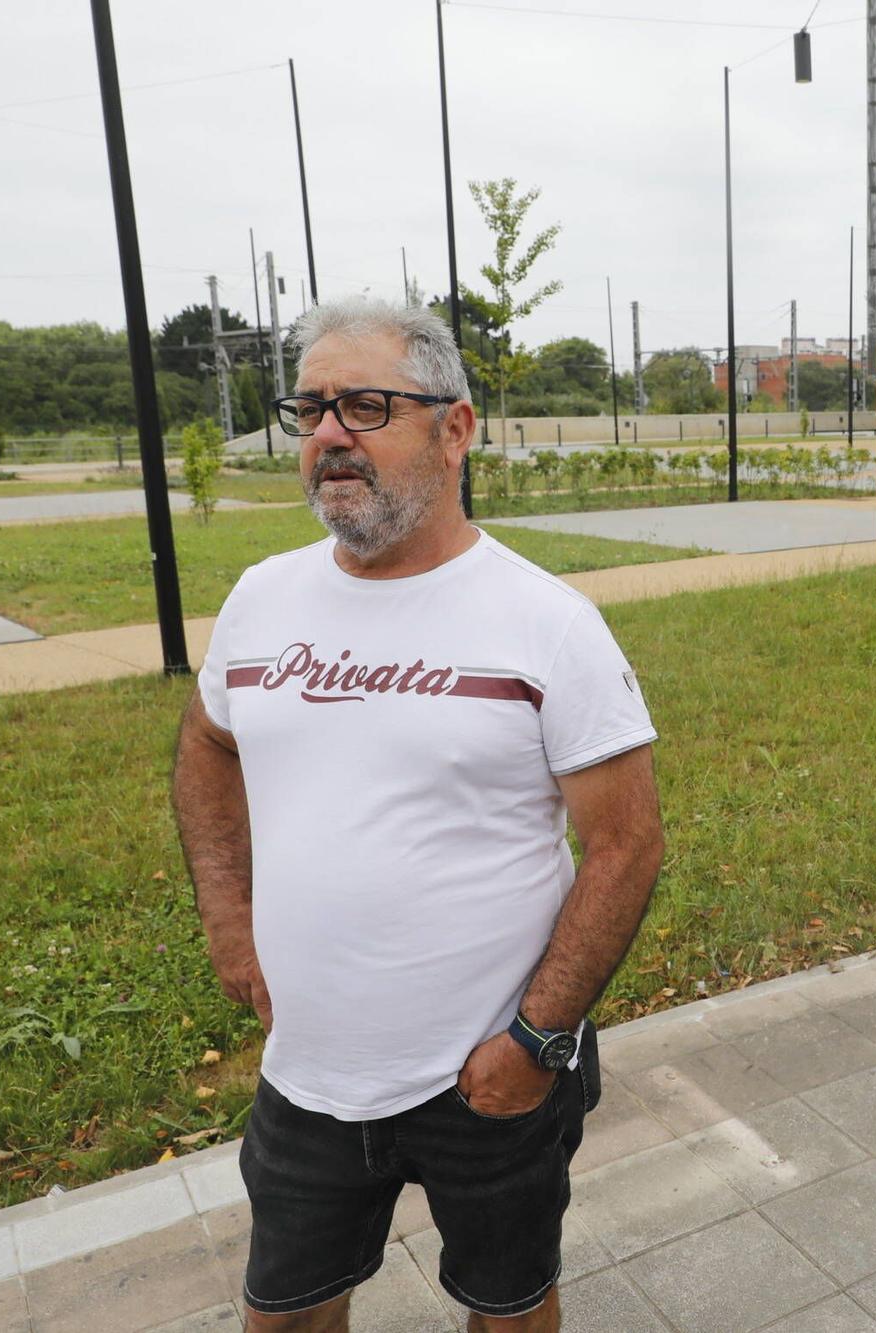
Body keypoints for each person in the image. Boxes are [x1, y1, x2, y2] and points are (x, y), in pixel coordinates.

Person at [171, 296, 664, 1333]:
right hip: (306, 1072)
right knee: (287, 1312)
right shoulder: (263, 598)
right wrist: (228, 919)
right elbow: (209, 747)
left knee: (508, 1305)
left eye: (364, 405)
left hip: (487, 1077)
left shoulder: (546, 625)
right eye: (309, 410)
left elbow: (625, 843)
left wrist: (536, 1040)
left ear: (455, 429)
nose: (327, 437)